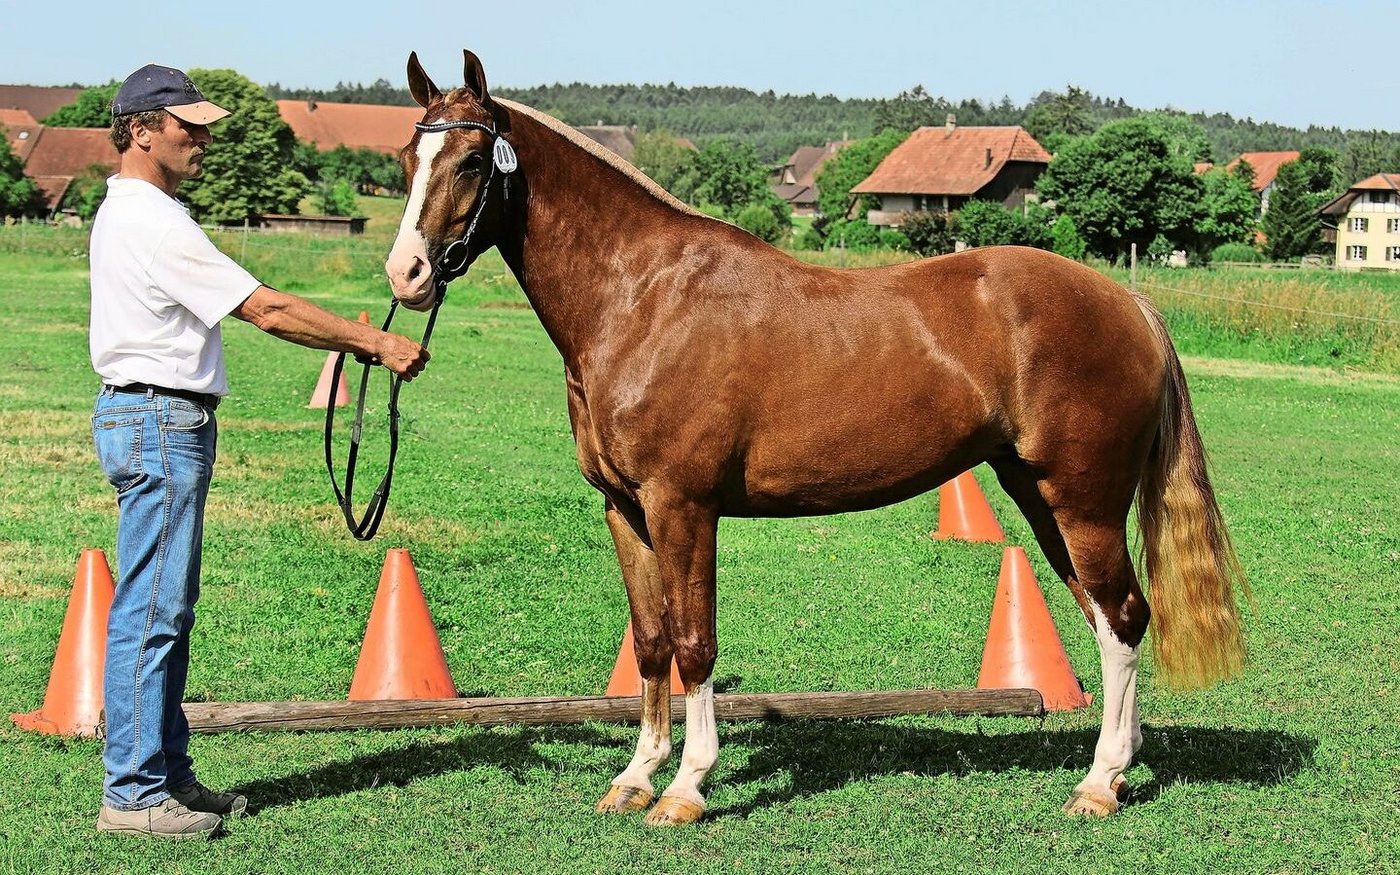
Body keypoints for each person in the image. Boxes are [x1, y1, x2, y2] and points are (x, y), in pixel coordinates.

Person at [89, 64, 429, 840]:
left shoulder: (139, 210)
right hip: (159, 421)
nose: (202, 138)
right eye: (187, 125)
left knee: (163, 608)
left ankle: (165, 775)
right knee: (151, 612)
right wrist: (373, 341)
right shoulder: (153, 221)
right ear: (142, 130)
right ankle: (134, 795)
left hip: (155, 418)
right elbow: (266, 309)